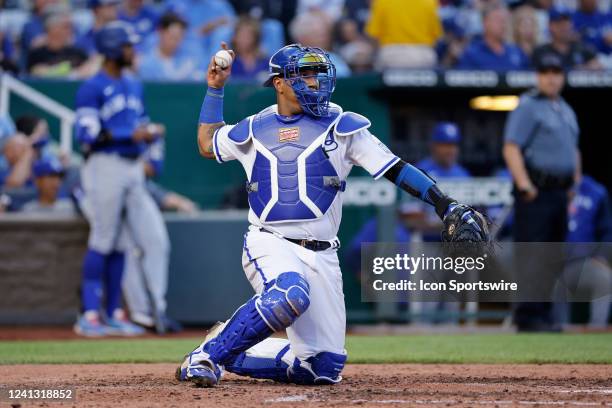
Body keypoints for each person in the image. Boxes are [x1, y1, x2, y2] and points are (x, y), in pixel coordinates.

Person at [175, 42, 488, 387]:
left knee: (321, 367)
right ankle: (204, 359)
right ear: (279, 83)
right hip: (271, 241)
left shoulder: (342, 124)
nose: (314, 82)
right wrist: (216, 89)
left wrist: (445, 204)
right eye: (303, 74)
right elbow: (207, 144)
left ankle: (225, 344)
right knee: (289, 293)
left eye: (317, 73)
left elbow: (395, 168)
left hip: (323, 252)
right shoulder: (254, 127)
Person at [73, 22, 166, 337]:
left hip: (131, 166)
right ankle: (89, 314)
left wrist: (150, 141)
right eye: (127, 46)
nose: (132, 51)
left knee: (124, 243)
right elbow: (84, 133)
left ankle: (113, 312)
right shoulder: (92, 86)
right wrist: (132, 134)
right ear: (112, 49)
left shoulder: (133, 84)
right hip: (105, 164)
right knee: (102, 237)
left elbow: (141, 123)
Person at [503, 52, 581, 332]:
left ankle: (544, 315)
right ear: (538, 75)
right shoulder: (529, 106)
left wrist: (574, 184)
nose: (551, 77)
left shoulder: (565, 109)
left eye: (556, 72)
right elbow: (511, 147)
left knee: (552, 255)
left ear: (562, 76)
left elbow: (573, 150)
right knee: (532, 254)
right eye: (546, 72)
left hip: (559, 192)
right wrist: (524, 184)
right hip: (535, 190)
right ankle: (527, 317)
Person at [554, 175, 612, 329]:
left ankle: (597, 331)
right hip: (555, 263)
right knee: (549, 284)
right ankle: (558, 333)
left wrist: (603, 256)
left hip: (585, 260)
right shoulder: (547, 188)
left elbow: (606, 230)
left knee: (605, 278)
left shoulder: (596, 191)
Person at [366, 0, 443, 69]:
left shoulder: (382, 2)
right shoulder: (429, 2)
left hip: (391, 54)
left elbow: (373, 36)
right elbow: (437, 36)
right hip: (422, 54)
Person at [27, 7, 94, 78]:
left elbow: (89, 70)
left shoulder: (78, 53)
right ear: (52, 28)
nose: (71, 30)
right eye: (66, 26)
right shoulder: (37, 54)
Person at [457, 4, 529, 71]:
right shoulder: (471, 54)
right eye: (498, 20)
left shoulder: (517, 52)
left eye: (505, 21)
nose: (503, 25)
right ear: (485, 23)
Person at [137, 12, 205, 81]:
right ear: (160, 32)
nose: (176, 41)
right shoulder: (146, 63)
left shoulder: (190, 60)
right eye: (172, 36)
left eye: (179, 37)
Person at [532, 6, 600, 70]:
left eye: (566, 23)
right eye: (559, 23)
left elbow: (598, 67)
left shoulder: (583, 49)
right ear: (550, 26)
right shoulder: (540, 52)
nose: (564, 27)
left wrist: (587, 68)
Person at [289, 10, 351, 77]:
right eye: (317, 35)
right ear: (301, 38)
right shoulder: (292, 64)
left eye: (325, 34)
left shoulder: (334, 58)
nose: (324, 39)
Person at [229, 16, 269, 82]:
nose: (243, 40)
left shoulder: (266, 62)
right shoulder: (229, 63)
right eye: (240, 35)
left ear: (255, 38)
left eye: (248, 36)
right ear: (234, 38)